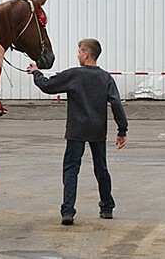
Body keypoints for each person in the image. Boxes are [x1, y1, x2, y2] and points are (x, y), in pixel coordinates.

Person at [27, 38, 128, 226]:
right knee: (101, 168)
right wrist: (122, 130)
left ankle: (68, 211)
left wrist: (36, 73)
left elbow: (48, 86)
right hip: (98, 129)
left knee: (71, 169)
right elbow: (115, 103)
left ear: (86, 54)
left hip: (76, 130)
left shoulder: (74, 75)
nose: (78, 54)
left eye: (79, 51)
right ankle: (106, 207)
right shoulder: (106, 77)